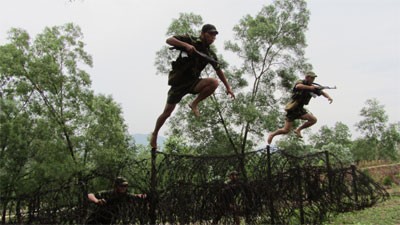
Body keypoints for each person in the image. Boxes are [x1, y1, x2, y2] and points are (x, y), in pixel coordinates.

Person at [150, 24, 235, 149]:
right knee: (167, 112)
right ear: (203, 33)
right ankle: (155, 133)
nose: (212, 38)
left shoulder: (209, 53)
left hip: (193, 83)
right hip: (178, 83)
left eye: (214, 36)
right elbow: (169, 40)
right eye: (210, 34)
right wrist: (186, 45)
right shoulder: (190, 39)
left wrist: (228, 87)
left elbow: (218, 70)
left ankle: (194, 103)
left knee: (214, 82)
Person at [267, 71, 333, 144]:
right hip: (292, 109)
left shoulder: (313, 87)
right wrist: (310, 88)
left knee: (313, 120)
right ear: (307, 77)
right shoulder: (301, 82)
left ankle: (298, 129)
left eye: (314, 78)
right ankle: (272, 134)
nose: (313, 80)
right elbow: (298, 86)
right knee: (286, 130)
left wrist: (328, 97)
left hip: (300, 109)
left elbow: (322, 92)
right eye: (312, 78)